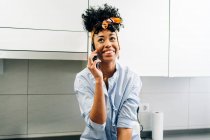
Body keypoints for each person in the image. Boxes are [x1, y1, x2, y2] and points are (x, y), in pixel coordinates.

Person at [74, 4, 142, 140]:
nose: (108, 44)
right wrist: (99, 81)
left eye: (112, 38)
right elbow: (97, 124)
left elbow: (125, 126)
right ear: (93, 48)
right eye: (100, 40)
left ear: (118, 43)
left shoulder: (131, 79)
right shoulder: (83, 79)